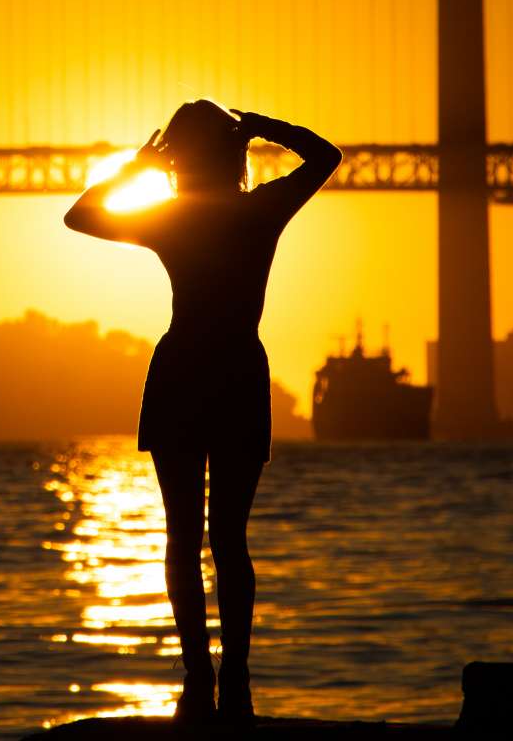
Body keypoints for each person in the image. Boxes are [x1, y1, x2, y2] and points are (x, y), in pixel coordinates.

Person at [64, 100, 342, 725]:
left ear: (178, 161)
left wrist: (137, 167)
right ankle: (237, 683)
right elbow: (328, 157)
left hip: (182, 371)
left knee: (182, 538)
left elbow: (79, 215)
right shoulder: (262, 211)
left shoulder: (170, 218)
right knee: (229, 540)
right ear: (235, 154)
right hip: (239, 372)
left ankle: (197, 685)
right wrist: (271, 128)